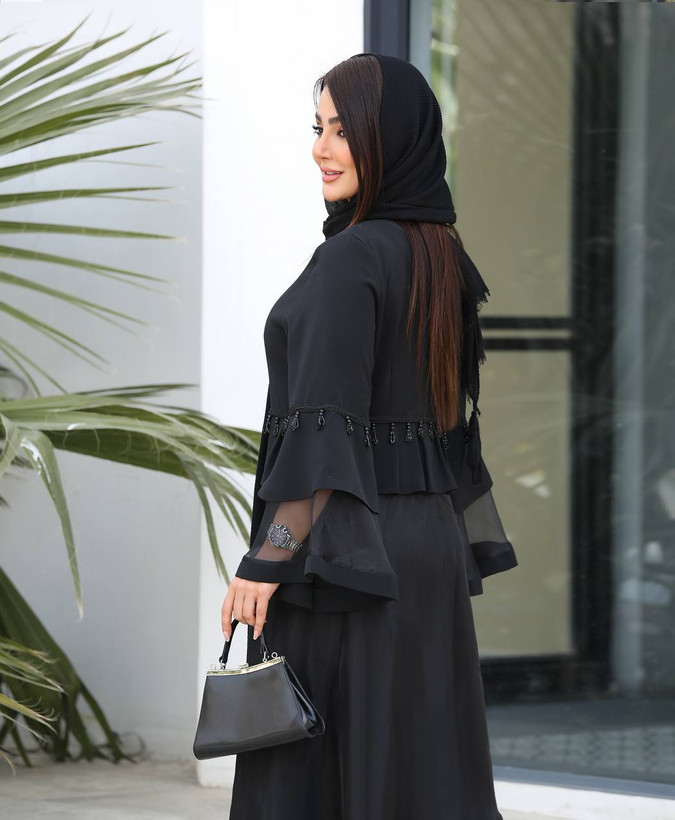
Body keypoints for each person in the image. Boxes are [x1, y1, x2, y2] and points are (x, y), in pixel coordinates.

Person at [222, 52, 517, 820]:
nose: (320, 148)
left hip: (348, 552)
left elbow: (325, 428)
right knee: (415, 763)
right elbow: (443, 424)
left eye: (343, 130)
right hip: (426, 547)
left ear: (389, 137)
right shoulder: (441, 256)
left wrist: (268, 558)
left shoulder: (351, 258)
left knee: (316, 772)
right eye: (317, 127)